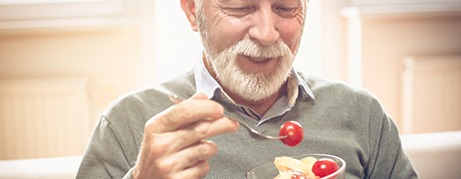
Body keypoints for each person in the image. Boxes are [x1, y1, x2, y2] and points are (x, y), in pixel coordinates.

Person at [77, 0, 418, 178]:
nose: (267, 33)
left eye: (286, 7)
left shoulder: (363, 115)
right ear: (193, 12)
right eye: (240, 7)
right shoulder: (128, 125)